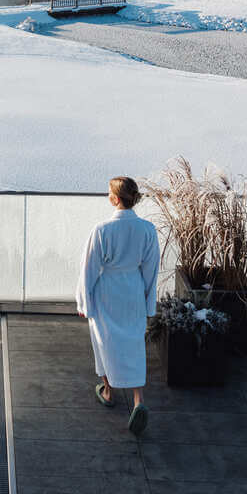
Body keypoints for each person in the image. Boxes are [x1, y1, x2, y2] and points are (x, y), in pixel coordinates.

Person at [75, 175, 161, 436]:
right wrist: (148, 303)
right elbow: (151, 269)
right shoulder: (147, 230)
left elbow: (88, 269)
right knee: (133, 342)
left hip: (107, 292)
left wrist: (83, 301)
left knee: (105, 341)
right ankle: (138, 400)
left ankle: (109, 391)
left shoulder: (102, 230)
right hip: (133, 289)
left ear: (114, 199)